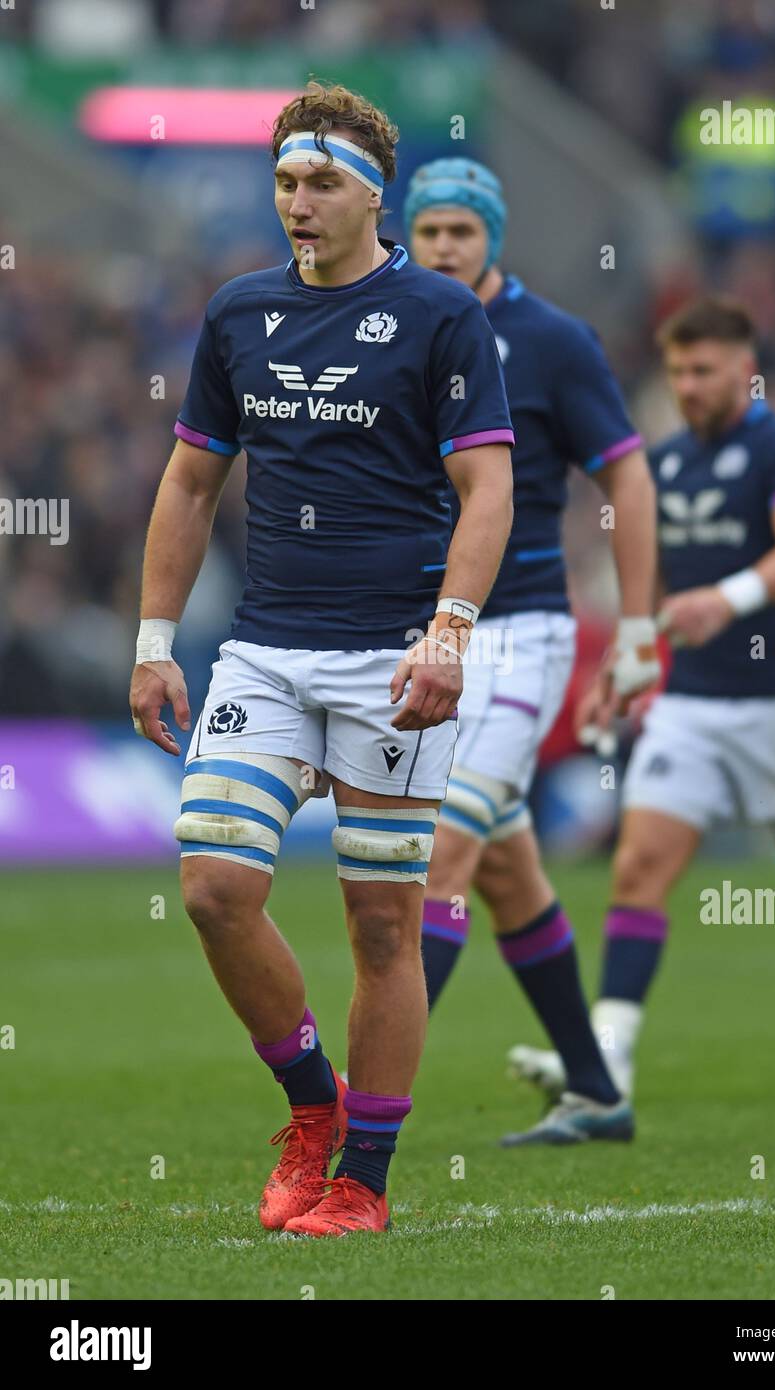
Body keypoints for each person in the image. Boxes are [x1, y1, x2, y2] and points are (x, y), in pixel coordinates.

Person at [129, 83, 514, 1238]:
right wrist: (154, 639)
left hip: (395, 660)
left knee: (384, 925)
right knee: (212, 887)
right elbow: (192, 480)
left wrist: (450, 631)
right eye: (286, 182)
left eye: (321, 184)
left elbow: (487, 485)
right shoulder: (239, 313)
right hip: (264, 652)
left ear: (373, 197)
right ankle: (313, 1108)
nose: (298, 202)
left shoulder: (443, 316)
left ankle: (366, 1180)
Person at [511, 296, 775, 1105]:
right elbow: (652, 590)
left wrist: (726, 599)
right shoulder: (662, 465)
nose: (690, 386)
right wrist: (623, 667)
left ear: (744, 368)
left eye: (705, 370)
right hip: (691, 703)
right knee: (639, 866)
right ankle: (609, 1058)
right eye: (678, 373)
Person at [405, 158, 660, 1144]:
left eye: (462, 231)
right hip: (425, 637)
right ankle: (597, 1092)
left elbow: (626, 481)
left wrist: (635, 630)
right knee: (508, 872)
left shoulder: (553, 342)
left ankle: (357, 1109)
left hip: (521, 640)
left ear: (494, 237)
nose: (443, 248)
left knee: (440, 859)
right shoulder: (389, 331)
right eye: (428, 231)